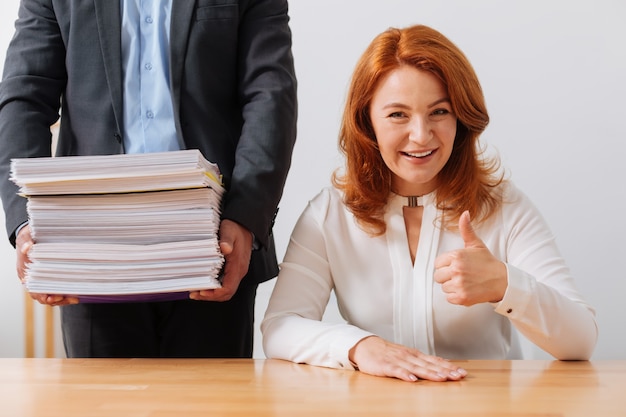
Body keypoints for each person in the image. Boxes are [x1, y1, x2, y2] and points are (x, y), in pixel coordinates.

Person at [261, 24, 597, 382]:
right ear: (366, 122)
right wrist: (359, 347)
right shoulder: (329, 214)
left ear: (461, 118)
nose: (421, 135)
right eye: (397, 115)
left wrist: (504, 283)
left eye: (439, 111)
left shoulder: (504, 206)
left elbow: (581, 340)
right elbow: (279, 328)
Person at [0, 0, 297, 358]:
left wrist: (245, 217)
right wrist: (28, 220)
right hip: (91, 249)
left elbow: (271, 97)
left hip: (214, 245)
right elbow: (24, 98)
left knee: (215, 408)